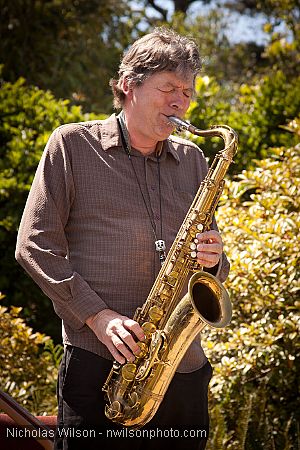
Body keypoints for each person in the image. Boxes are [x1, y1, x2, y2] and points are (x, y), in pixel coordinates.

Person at [15, 27, 230, 450]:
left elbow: (216, 263)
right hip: (99, 368)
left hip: (182, 372)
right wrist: (98, 316)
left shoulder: (192, 159)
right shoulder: (72, 145)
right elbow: (34, 244)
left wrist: (214, 260)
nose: (180, 102)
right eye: (168, 88)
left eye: (187, 92)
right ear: (129, 85)